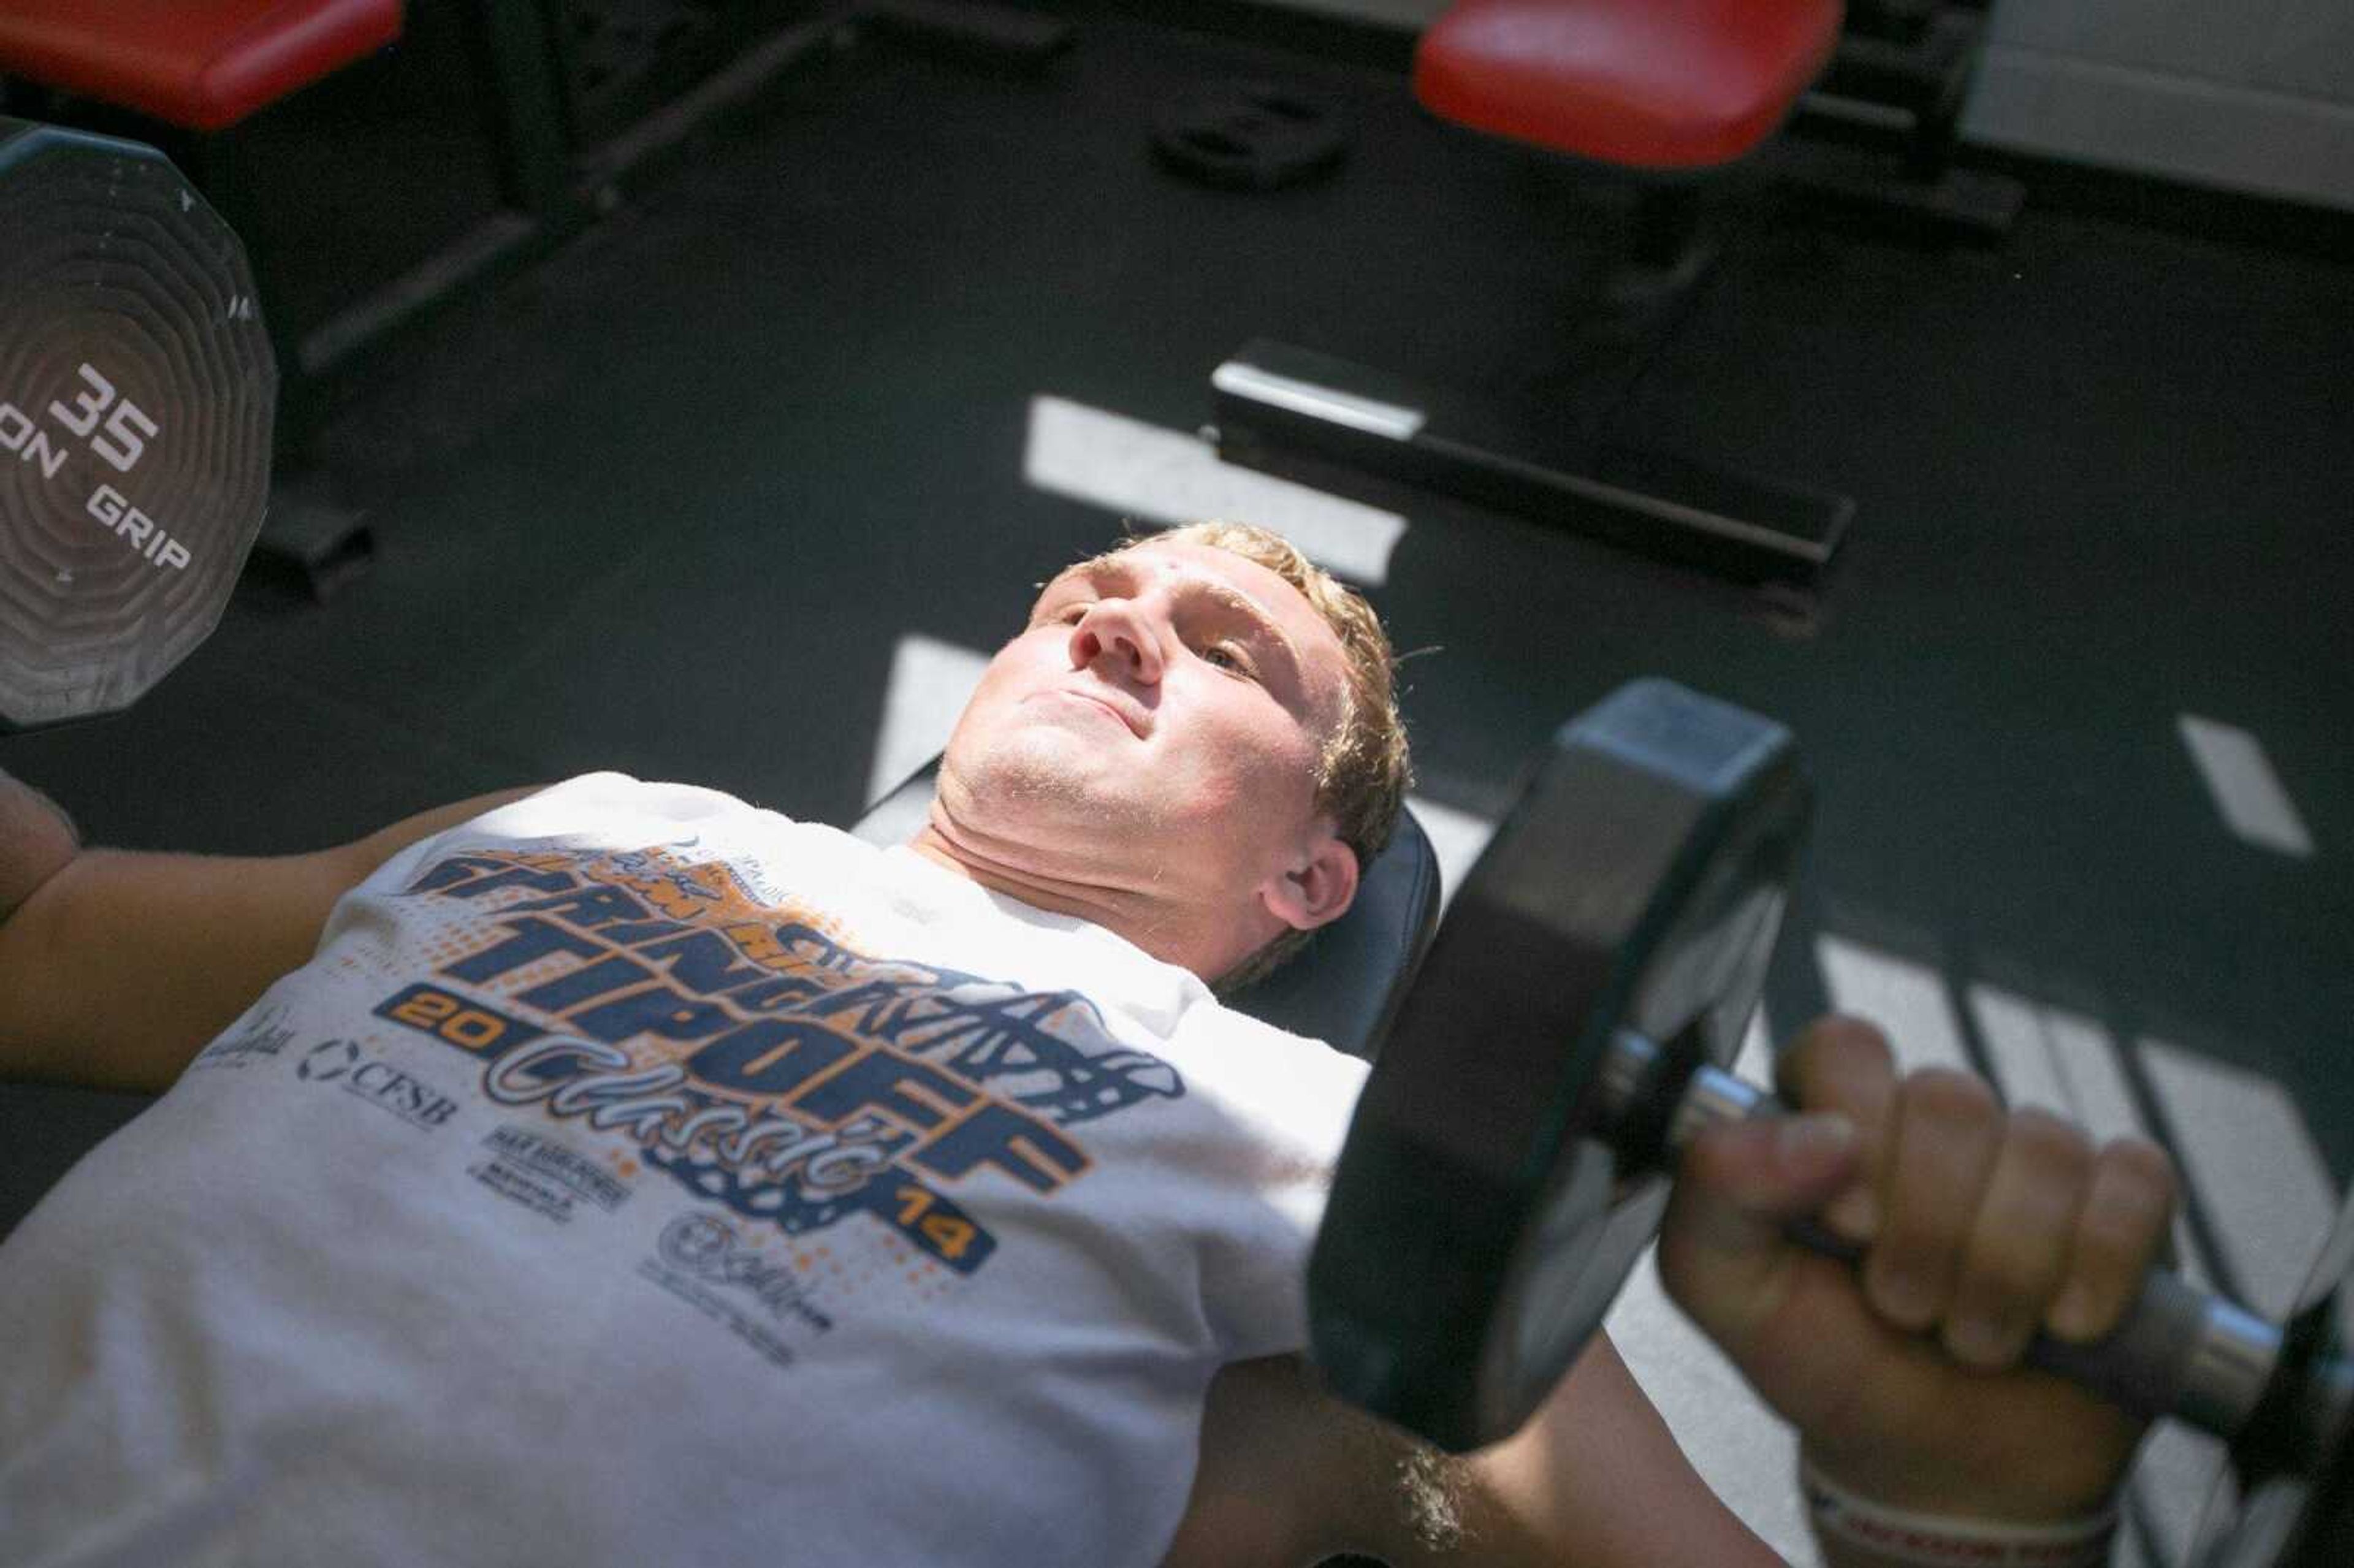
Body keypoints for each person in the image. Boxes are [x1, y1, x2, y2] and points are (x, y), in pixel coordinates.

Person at [0, 521, 2177, 1567]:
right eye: (1084, 597)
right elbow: (59, 943)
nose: (1113, 613)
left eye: (1224, 647)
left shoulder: (1325, 1134)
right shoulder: (590, 821)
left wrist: (1953, 1511)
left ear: (1314, 885)